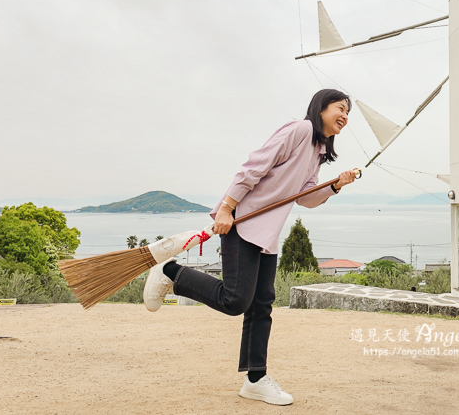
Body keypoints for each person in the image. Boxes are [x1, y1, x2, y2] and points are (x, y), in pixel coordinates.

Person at [143, 89, 357, 406]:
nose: (345, 116)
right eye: (340, 108)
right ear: (320, 108)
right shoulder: (300, 130)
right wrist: (228, 208)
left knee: (261, 307)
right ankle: (170, 272)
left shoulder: (317, 149)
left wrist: (335, 185)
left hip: (266, 236)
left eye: (348, 112)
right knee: (235, 301)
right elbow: (255, 166)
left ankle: (255, 379)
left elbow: (305, 198)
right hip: (243, 223)